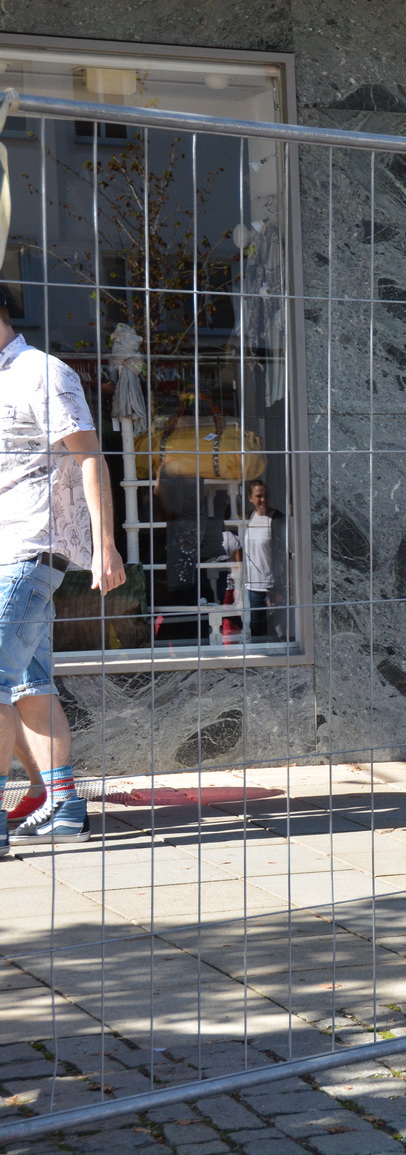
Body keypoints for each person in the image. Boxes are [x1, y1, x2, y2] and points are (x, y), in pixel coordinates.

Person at [0, 287, 126, 848]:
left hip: (29, 551)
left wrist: (106, 546)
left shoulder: (43, 373)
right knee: (31, 684)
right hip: (8, 550)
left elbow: (89, 457)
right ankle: (64, 804)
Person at [239, 480, 285, 640]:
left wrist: (279, 586)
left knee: (277, 631)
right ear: (250, 498)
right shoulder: (248, 518)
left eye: (265, 496)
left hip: (272, 585)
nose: (263, 500)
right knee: (256, 628)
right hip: (253, 585)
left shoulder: (277, 519)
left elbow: (284, 553)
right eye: (258, 496)